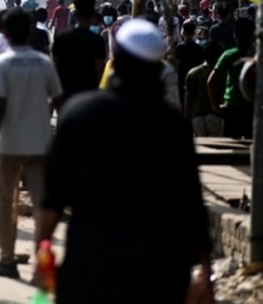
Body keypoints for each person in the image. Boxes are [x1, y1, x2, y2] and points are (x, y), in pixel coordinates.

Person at [37, 19, 212, 304]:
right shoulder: (171, 125)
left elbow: (52, 199)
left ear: (114, 62)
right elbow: (190, 202)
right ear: (158, 70)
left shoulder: (78, 114)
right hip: (159, 267)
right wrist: (205, 272)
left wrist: (43, 260)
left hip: (90, 263)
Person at [0, 8, 62, 279]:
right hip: (40, 143)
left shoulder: (1, 64)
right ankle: (42, 265)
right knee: (43, 204)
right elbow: (58, 100)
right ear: (30, 31)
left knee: (6, 204)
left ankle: (7, 260)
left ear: (3, 32)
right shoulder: (44, 62)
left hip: (9, 145)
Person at [51, 0, 106, 103]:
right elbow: (99, 70)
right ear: (92, 15)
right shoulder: (97, 40)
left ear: (75, 15)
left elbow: (55, 68)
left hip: (65, 94)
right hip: (89, 95)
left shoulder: (61, 37)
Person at [208, 17, 255, 139]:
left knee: (231, 146)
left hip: (232, 107)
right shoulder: (257, 55)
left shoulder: (229, 54)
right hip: (255, 107)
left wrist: (215, 106)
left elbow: (211, 81)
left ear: (235, 35)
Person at [185, 42, 225, 137]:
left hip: (197, 118)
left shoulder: (192, 72)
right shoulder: (221, 73)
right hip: (216, 117)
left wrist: (186, 118)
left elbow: (188, 98)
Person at [175, 21, 204, 112]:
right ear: (194, 33)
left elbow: (177, 64)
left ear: (183, 32)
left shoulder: (180, 48)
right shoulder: (199, 48)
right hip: (196, 77)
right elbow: (202, 64)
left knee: (183, 100)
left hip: (183, 77)